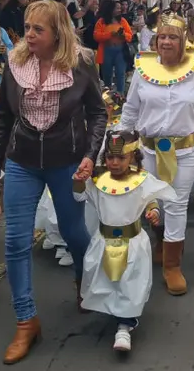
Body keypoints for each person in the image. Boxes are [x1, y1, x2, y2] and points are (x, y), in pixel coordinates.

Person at [0, 0, 107, 364]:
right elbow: (3, 117)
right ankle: (26, 321)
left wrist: (89, 155)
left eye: (39, 29)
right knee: (15, 242)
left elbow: (98, 114)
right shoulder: (16, 61)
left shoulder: (82, 63)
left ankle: (84, 282)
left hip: (66, 161)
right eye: (27, 27)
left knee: (74, 233)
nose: (30, 35)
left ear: (58, 33)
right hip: (22, 162)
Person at [115, 12, 194, 296]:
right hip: (149, 147)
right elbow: (131, 107)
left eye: (173, 37)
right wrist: (124, 137)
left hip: (187, 148)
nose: (167, 42)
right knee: (152, 201)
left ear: (184, 40)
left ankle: (172, 264)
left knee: (176, 202)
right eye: (162, 37)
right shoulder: (143, 69)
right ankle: (161, 241)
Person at [76, 129, 176, 354]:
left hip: (133, 243)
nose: (114, 162)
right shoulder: (98, 179)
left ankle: (125, 325)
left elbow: (151, 200)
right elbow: (80, 195)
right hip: (103, 240)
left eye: (121, 157)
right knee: (106, 280)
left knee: (130, 282)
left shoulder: (142, 179)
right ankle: (114, 311)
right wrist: (79, 181)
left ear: (133, 156)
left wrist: (153, 212)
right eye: (110, 157)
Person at [94, 0, 133, 94]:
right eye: (117, 8)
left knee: (120, 73)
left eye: (120, 8)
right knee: (107, 75)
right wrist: (110, 34)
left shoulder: (123, 21)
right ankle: (108, 96)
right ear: (110, 9)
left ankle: (120, 95)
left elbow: (130, 36)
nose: (120, 10)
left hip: (120, 51)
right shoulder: (101, 21)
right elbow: (96, 36)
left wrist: (123, 35)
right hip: (106, 51)